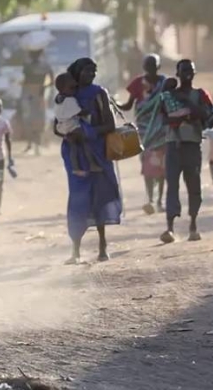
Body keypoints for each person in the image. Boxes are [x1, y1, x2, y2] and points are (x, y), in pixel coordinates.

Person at [56, 58, 121, 264]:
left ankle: (102, 246)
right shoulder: (66, 94)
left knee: (99, 197)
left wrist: (88, 133)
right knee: (78, 199)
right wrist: (71, 134)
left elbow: (110, 124)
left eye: (94, 71)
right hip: (75, 155)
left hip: (98, 152)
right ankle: (75, 250)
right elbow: (57, 126)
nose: (91, 75)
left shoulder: (99, 93)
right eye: (87, 71)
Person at [160, 59, 213, 243]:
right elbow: (163, 118)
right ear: (177, 74)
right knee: (172, 185)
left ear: (194, 74)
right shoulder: (169, 95)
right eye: (184, 70)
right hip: (173, 145)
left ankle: (193, 224)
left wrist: (188, 106)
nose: (188, 73)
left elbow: (208, 115)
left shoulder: (200, 95)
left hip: (192, 144)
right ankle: (169, 228)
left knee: (193, 186)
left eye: (190, 70)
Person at [118, 53, 168, 214]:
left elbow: (170, 102)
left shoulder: (165, 83)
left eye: (153, 66)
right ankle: (151, 199)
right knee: (149, 165)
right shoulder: (138, 83)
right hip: (145, 131)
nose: (151, 70)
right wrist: (113, 103)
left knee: (161, 167)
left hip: (161, 130)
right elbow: (127, 105)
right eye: (149, 67)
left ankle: (158, 200)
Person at [54, 72, 101, 176]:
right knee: (85, 142)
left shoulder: (58, 100)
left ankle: (76, 167)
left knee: (74, 147)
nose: (74, 90)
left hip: (62, 127)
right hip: (72, 126)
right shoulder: (70, 100)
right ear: (62, 89)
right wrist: (90, 109)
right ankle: (92, 164)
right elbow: (80, 112)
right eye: (72, 88)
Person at [19, 47, 53, 155]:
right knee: (38, 119)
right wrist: (43, 87)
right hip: (39, 94)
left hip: (29, 94)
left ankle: (32, 144)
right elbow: (51, 81)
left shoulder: (27, 65)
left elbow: (25, 80)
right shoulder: (45, 65)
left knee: (30, 119)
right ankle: (35, 145)